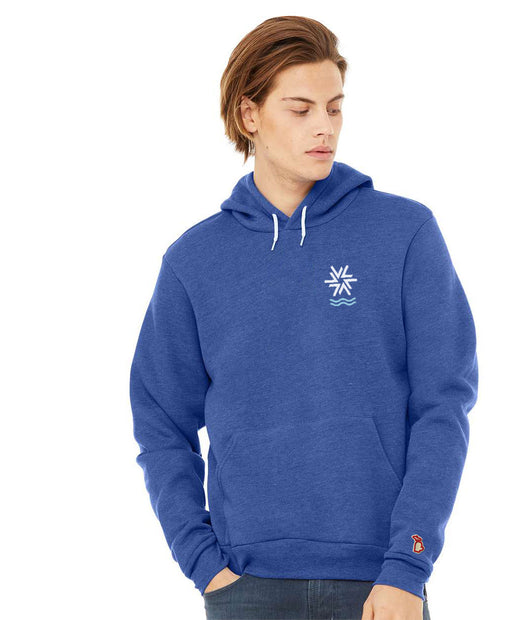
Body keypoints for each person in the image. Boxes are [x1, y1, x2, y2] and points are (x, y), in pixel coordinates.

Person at [129, 15, 478, 620]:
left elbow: (443, 406)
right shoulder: (194, 261)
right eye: (301, 109)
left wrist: (410, 563)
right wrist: (203, 563)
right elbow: (160, 422)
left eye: (335, 108)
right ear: (249, 115)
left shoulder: (404, 233)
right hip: (246, 587)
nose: (325, 127)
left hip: (382, 581)